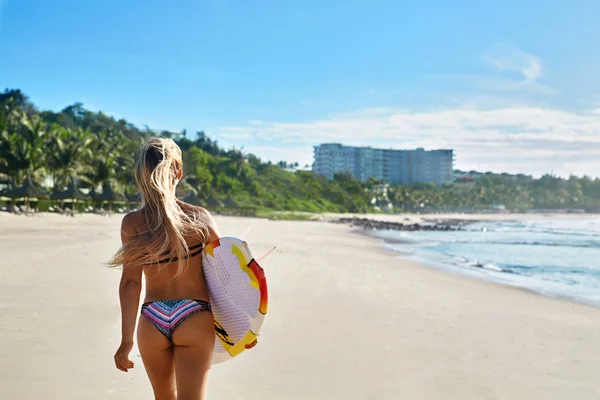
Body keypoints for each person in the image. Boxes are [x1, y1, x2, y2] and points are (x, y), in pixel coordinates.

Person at [109, 137, 219, 400]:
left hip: (152, 318)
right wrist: (242, 326)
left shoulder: (132, 223)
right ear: (178, 173)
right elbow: (226, 273)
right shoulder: (199, 217)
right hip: (194, 314)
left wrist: (126, 342)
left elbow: (131, 283)